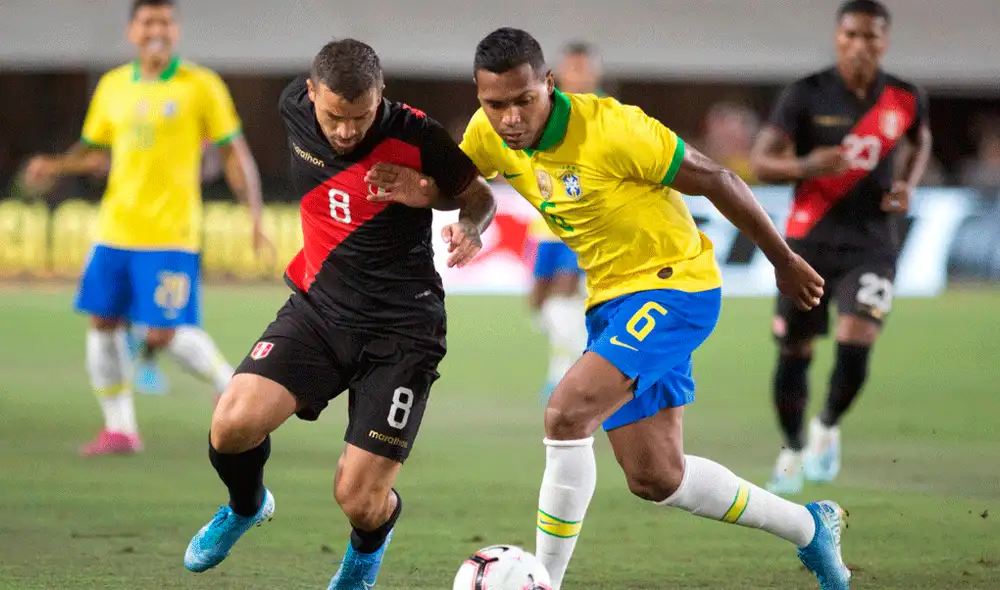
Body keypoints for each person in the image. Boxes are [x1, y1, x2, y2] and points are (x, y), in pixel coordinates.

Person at [365, 27, 850, 590]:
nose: (511, 118)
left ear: (548, 84)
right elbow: (464, 187)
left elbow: (716, 178)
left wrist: (782, 260)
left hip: (675, 287)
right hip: (612, 300)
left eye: (524, 100)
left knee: (566, 413)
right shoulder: (488, 131)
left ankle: (545, 581)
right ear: (480, 98)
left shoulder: (614, 128)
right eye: (495, 105)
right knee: (656, 475)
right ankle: (810, 528)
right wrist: (446, 207)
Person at [182, 39, 496, 590]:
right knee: (231, 424)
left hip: (403, 331)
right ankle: (246, 506)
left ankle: (363, 556)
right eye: (334, 116)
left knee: (358, 498)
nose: (347, 131)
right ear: (309, 95)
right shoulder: (291, 109)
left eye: (361, 116)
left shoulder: (416, 135)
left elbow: (478, 197)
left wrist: (444, 207)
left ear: (382, 95)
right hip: (319, 312)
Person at [22, 0, 269, 456]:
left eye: (165, 21)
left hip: (171, 233)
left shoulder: (201, 85)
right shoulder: (114, 86)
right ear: (132, 31)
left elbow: (235, 154)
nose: (157, 29)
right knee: (103, 322)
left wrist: (254, 216)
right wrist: (54, 165)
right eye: (147, 21)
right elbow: (96, 153)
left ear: (175, 31)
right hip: (116, 229)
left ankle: (231, 389)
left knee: (164, 333)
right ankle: (121, 430)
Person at [750, 0, 932, 495]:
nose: (860, 45)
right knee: (795, 351)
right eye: (851, 35)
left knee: (857, 343)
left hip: (874, 245)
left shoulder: (904, 96)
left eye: (871, 37)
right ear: (838, 38)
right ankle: (790, 450)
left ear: (885, 41)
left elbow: (921, 141)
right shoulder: (805, 93)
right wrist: (807, 166)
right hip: (807, 244)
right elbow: (761, 162)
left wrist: (909, 184)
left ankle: (826, 425)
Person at [528, 42, 603, 404]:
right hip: (544, 224)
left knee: (564, 295)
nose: (578, 74)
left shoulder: (605, 115)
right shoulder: (543, 109)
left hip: (582, 225)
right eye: (572, 67)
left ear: (594, 73)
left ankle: (563, 372)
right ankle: (574, 352)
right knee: (540, 304)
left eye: (583, 68)